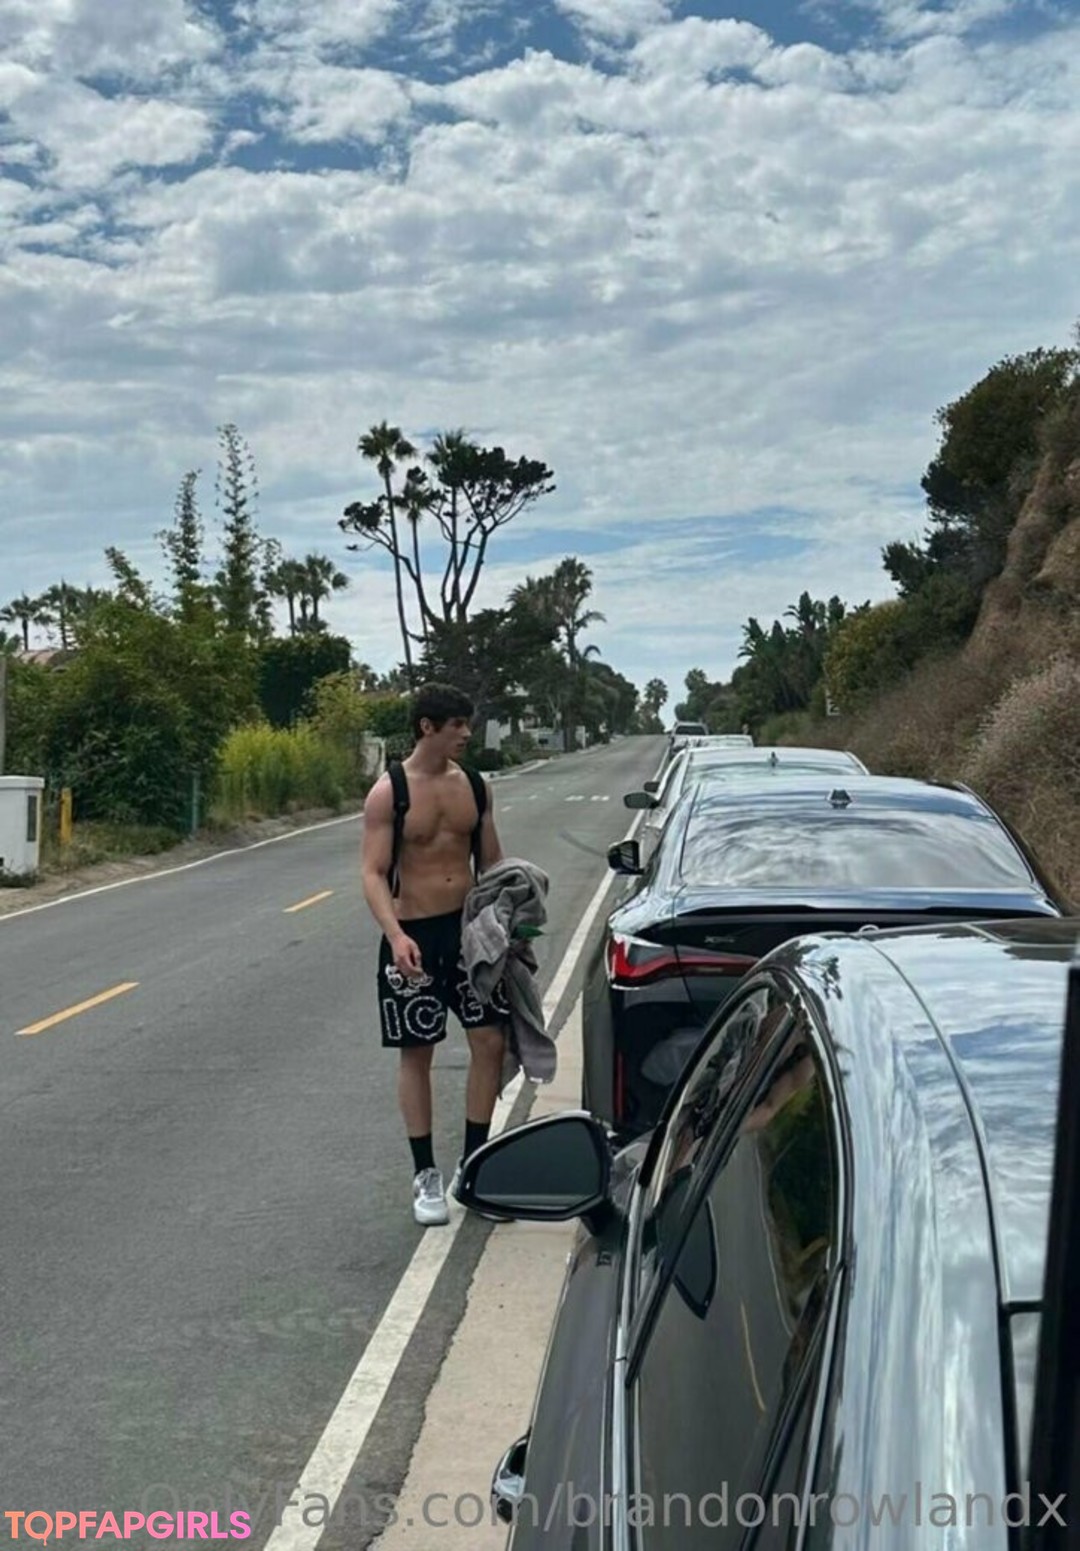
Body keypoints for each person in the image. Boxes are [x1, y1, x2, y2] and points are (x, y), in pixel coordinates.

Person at [361, 682, 510, 1226]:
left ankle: (476, 1167)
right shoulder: (389, 792)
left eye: (467, 724)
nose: (467, 733)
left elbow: (491, 863)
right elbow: (373, 872)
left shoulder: (475, 785)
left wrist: (507, 918)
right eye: (457, 725)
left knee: (490, 1042)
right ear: (428, 727)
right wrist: (396, 935)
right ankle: (425, 1173)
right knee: (417, 1050)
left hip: (469, 933)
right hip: (414, 936)